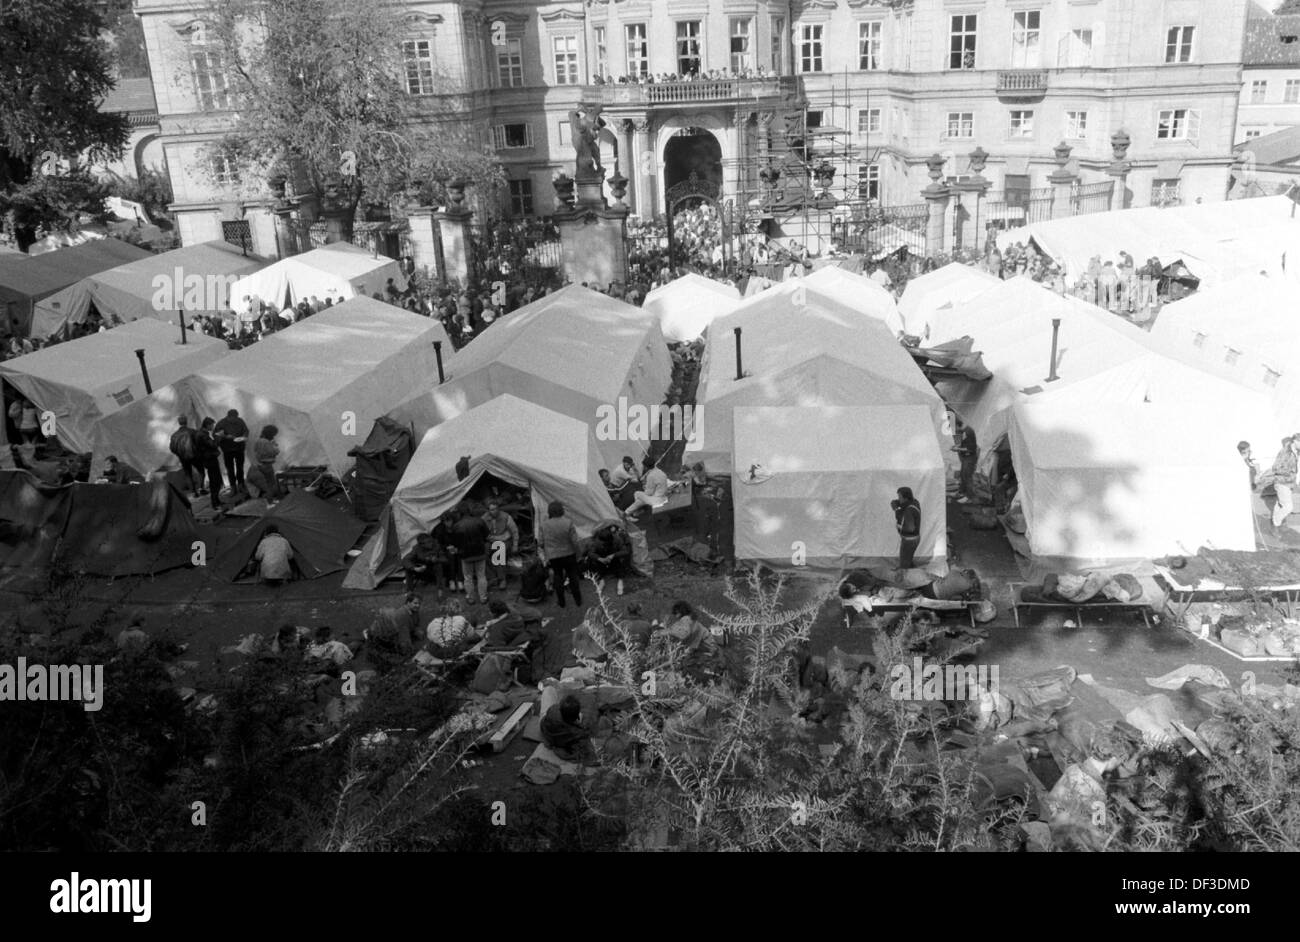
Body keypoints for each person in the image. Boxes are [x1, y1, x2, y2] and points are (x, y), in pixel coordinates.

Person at [539, 500, 582, 607]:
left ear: (550, 512)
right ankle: (578, 600)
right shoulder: (568, 522)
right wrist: (579, 554)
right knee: (573, 576)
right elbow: (575, 542)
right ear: (561, 510)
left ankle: (562, 602)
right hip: (569, 554)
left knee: (557, 576)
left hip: (553, 556)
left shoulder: (544, 525)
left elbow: (540, 543)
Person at [364, 594, 423, 671]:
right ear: (408, 603)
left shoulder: (414, 611)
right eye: (415, 603)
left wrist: (417, 630)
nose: (418, 605)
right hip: (382, 637)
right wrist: (410, 650)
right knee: (397, 657)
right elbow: (404, 638)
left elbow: (415, 624)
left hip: (389, 633)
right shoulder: (403, 615)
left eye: (419, 603)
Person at [452, 502, 490, 605]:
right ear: (470, 511)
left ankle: (471, 598)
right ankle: (483, 597)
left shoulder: (456, 526)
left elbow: (455, 543)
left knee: (468, 577)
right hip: (480, 553)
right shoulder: (479, 521)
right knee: (481, 576)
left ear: (459, 513)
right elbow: (486, 536)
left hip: (465, 556)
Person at [581, 521, 633, 595]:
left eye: (606, 543)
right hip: (602, 559)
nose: (604, 544)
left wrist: (613, 555)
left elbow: (625, 551)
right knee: (593, 562)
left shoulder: (617, 539)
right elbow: (590, 553)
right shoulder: (595, 541)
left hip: (613, 558)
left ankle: (620, 580)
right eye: (602, 543)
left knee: (620, 562)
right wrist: (600, 559)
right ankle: (601, 581)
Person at [540, 695, 593, 762]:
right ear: (576, 717)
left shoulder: (553, 709)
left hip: (544, 727)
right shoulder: (577, 733)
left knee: (549, 689)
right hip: (556, 734)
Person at [482, 500, 519, 589]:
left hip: (504, 540)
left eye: (495, 509)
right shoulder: (484, 518)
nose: (493, 511)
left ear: (498, 509)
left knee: (499, 551)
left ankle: (502, 579)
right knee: (482, 553)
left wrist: (515, 545)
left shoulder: (506, 517)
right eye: (491, 510)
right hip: (490, 540)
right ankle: (492, 577)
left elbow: (514, 531)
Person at [1266, 436, 1300, 531]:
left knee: (1280, 504)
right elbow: (1275, 468)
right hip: (1282, 482)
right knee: (1288, 507)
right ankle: (1275, 524)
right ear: (1295, 441)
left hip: (1289, 483)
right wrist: (1289, 473)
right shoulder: (1285, 452)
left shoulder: (1296, 451)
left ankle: (1276, 522)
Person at [214, 410, 249, 497]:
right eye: (234, 419)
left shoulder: (240, 421)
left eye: (236, 418)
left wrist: (244, 436)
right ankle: (233, 487)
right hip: (227, 449)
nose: (235, 420)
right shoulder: (221, 423)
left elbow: (246, 430)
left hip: (239, 448)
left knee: (240, 467)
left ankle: (241, 484)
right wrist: (225, 437)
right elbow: (216, 435)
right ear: (229, 417)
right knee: (230, 469)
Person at [195, 417, 225, 509]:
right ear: (207, 425)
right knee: (214, 481)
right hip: (209, 460)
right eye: (212, 425)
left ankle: (216, 500)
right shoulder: (203, 435)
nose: (213, 427)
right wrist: (219, 436)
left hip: (208, 459)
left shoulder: (201, 433)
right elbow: (213, 445)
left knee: (216, 480)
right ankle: (215, 503)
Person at [891, 486, 922, 569]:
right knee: (908, 560)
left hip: (909, 541)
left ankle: (904, 578)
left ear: (906, 498)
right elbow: (899, 503)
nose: (898, 499)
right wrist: (897, 504)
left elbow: (910, 528)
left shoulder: (909, 511)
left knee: (903, 565)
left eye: (900, 497)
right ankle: (912, 571)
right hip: (914, 539)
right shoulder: (915, 502)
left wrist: (899, 525)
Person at [251, 424, 282, 504]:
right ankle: (270, 501)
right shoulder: (267, 442)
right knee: (271, 484)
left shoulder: (258, 441)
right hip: (267, 465)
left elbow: (255, 451)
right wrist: (275, 446)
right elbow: (274, 452)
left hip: (259, 464)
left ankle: (270, 500)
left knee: (266, 484)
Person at [168, 416, 200, 493]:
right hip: (194, 455)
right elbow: (199, 443)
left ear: (179, 423)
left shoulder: (174, 435)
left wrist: (179, 454)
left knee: (188, 474)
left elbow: (172, 448)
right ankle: (201, 488)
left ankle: (193, 492)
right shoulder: (193, 431)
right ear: (186, 421)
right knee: (200, 471)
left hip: (183, 457)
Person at [953, 422, 978, 503]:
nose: (955, 430)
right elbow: (962, 444)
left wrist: (958, 449)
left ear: (957, 425)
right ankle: (963, 492)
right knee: (963, 474)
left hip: (970, 457)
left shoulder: (968, 431)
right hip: (966, 457)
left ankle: (969, 496)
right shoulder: (963, 431)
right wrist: (957, 447)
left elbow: (970, 448)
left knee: (967, 475)